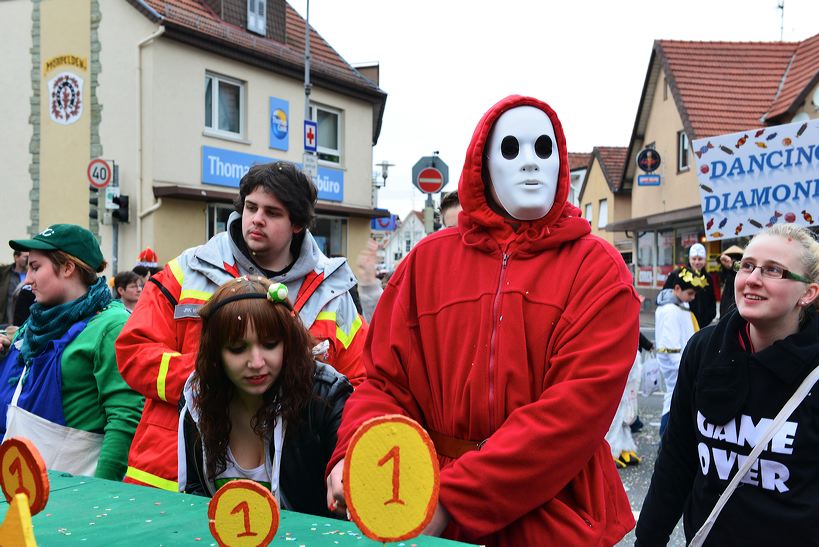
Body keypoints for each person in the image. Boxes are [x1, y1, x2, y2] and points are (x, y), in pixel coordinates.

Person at [325, 95, 639, 545]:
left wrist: (451, 499)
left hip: (552, 516)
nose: (530, 163)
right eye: (511, 149)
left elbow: (571, 416)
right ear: (483, 164)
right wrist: (355, 451)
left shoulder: (598, 270)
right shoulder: (426, 262)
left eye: (543, 148)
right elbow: (384, 384)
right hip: (427, 509)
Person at [116, 161, 367, 492]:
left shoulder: (332, 294)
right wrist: (216, 383)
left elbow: (361, 385)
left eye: (273, 212)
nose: (257, 219)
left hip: (290, 482)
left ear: (297, 224)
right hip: (172, 474)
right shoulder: (189, 270)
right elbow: (134, 351)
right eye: (251, 207)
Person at [636, 223, 819, 545]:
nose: (752, 279)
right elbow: (677, 459)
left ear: (808, 293)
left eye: (774, 271)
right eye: (747, 266)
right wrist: (648, 539)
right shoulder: (705, 349)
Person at [178, 277, 352, 517]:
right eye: (238, 349)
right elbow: (196, 493)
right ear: (215, 353)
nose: (256, 363)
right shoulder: (198, 400)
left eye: (270, 344)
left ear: (288, 343)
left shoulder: (325, 396)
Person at [0, 224, 142, 480]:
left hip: (73, 492)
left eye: (35, 268)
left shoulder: (112, 326)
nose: (28, 280)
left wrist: (101, 494)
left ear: (67, 268)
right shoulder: (35, 324)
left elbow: (124, 421)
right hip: (18, 483)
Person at [655, 267, 699, 438]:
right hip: (676, 363)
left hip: (681, 361)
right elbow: (670, 345)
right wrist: (685, 367)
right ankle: (665, 436)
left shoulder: (680, 305)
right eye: (690, 293)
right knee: (673, 399)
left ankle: (669, 437)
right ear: (677, 289)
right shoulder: (670, 310)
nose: (692, 297)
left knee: (676, 398)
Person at [663, 244, 716, 328]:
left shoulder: (708, 278)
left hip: (701, 325)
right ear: (689, 259)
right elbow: (666, 296)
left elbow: (711, 301)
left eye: (700, 259)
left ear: (705, 260)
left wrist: (707, 319)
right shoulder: (677, 274)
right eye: (694, 259)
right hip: (681, 323)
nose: (697, 262)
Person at [0, 250, 29, 326]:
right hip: (5, 321)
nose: (28, 259)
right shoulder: (5, 273)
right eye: (26, 257)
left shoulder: (30, 275)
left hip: (24, 320)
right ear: (16, 257)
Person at [718, 244, 744, 317]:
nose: (732, 261)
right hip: (725, 310)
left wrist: (731, 266)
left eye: (735, 260)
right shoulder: (724, 273)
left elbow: (738, 274)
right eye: (730, 258)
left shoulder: (742, 273)